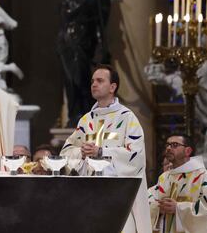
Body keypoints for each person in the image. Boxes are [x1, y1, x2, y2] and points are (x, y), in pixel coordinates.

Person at [60, 64, 150, 233]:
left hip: (118, 199)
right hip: (88, 197)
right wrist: (81, 152)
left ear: (112, 87)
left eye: (100, 80)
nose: (94, 84)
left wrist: (102, 152)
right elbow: (65, 152)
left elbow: (135, 157)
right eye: (93, 81)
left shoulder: (127, 118)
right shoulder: (86, 121)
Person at [148, 134, 207, 233]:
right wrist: (157, 209)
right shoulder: (165, 178)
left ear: (188, 151)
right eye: (167, 145)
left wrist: (178, 208)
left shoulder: (203, 177)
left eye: (174, 145)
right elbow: (147, 200)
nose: (168, 148)